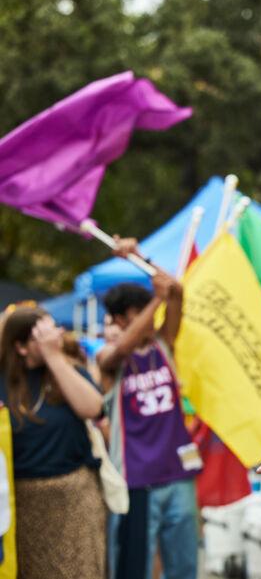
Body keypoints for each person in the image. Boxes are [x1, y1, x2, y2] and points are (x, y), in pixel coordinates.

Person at [98, 240, 201, 579]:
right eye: (131, 315)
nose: (133, 322)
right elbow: (125, 343)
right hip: (136, 480)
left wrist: (139, 258)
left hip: (177, 474)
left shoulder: (163, 345)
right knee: (134, 567)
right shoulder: (109, 359)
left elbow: (175, 290)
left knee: (184, 565)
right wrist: (156, 298)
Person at [0, 305, 106, 578]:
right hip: (25, 502)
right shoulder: (5, 383)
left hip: (75, 495)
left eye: (52, 328)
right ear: (21, 347)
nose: (53, 336)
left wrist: (54, 358)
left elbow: (93, 408)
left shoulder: (66, 371)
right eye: (41, 334)